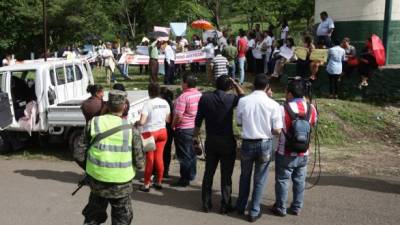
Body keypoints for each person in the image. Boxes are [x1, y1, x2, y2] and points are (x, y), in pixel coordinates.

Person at [82, 90, 138, 225]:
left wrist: (90, 167)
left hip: (97, 181)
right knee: (121, 220)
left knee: (92, 219)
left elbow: (78, 151)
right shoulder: (131, 129)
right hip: (122, 185)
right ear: (125, 106)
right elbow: (140, 161)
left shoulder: (94, 123)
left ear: (107, 104)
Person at [236, 74, 283, 222]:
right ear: (267, 87)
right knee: (260, 178)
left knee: (244, 176)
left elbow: (239, 122)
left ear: (253, 85)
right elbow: (277, 130)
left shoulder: (243, 101)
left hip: (248, 142)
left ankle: (241, 206)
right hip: (265, 143)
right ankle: (254, 210)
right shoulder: (273, 104)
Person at [194, 75, 244, 214]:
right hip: (227, 140)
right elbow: (243, 96)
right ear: (229, 87)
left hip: (211, 139)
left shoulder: (205, 98)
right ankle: (225, 204)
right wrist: (235, 84)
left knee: (208, 172)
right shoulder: (231, 98)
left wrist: (195, 138)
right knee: (226, 174)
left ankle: (206, 202)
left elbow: (198, 120)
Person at [271, 78, 317, 217]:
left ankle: (281, 207)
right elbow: (312, 125)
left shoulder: (282, 108)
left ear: (290, 93)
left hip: (285, 151)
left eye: (286, 91)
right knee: (300, 180)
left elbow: (277, 129)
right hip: (304, 152)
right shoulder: (312, 108)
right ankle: (296, 207)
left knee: (283, 180)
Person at [136, 83, 171, 192]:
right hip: (162, 132)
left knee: (150, 158)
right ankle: (159, 181)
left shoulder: (148, 104)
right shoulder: (165, 102)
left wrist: (136, 122)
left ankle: (146, 184)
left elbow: (142, 122)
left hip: (150, 133)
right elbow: (168, 120)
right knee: (159, 157)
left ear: (149, 92)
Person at [171, 74, 202, 187]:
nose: (181, 84)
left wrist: (173, 125)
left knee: (184, 155)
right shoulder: (199, 94)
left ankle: (184, 179)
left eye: (182, 82)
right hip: (194, 128)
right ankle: (191, 174)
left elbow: (178, 116)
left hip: (183, 129)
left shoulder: (183, 97)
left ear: (185, 84)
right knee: (192, 152)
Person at [160, 87, 174, 178]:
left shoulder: (162, 104)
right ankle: (166, 170)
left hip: (162, 128)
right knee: (167, 150)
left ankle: (158, 170)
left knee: (159, 151)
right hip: (170, 130)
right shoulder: (172, 104)